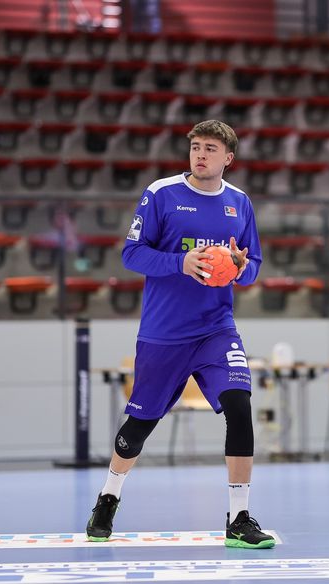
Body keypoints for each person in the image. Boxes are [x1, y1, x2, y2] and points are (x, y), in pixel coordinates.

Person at [85, 120, 273, 549]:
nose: (200, 154)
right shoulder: (161, 193)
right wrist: (180, 263)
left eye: (210, 149)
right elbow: (132, 254)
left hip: (216, 328)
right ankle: (109, 497)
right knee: (139, 426)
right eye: (195, 147)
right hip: (164, 333)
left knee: (239, 405)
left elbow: (253, 266)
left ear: (228, 158)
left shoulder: (239, 203)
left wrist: (240, 267)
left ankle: (239, 517)